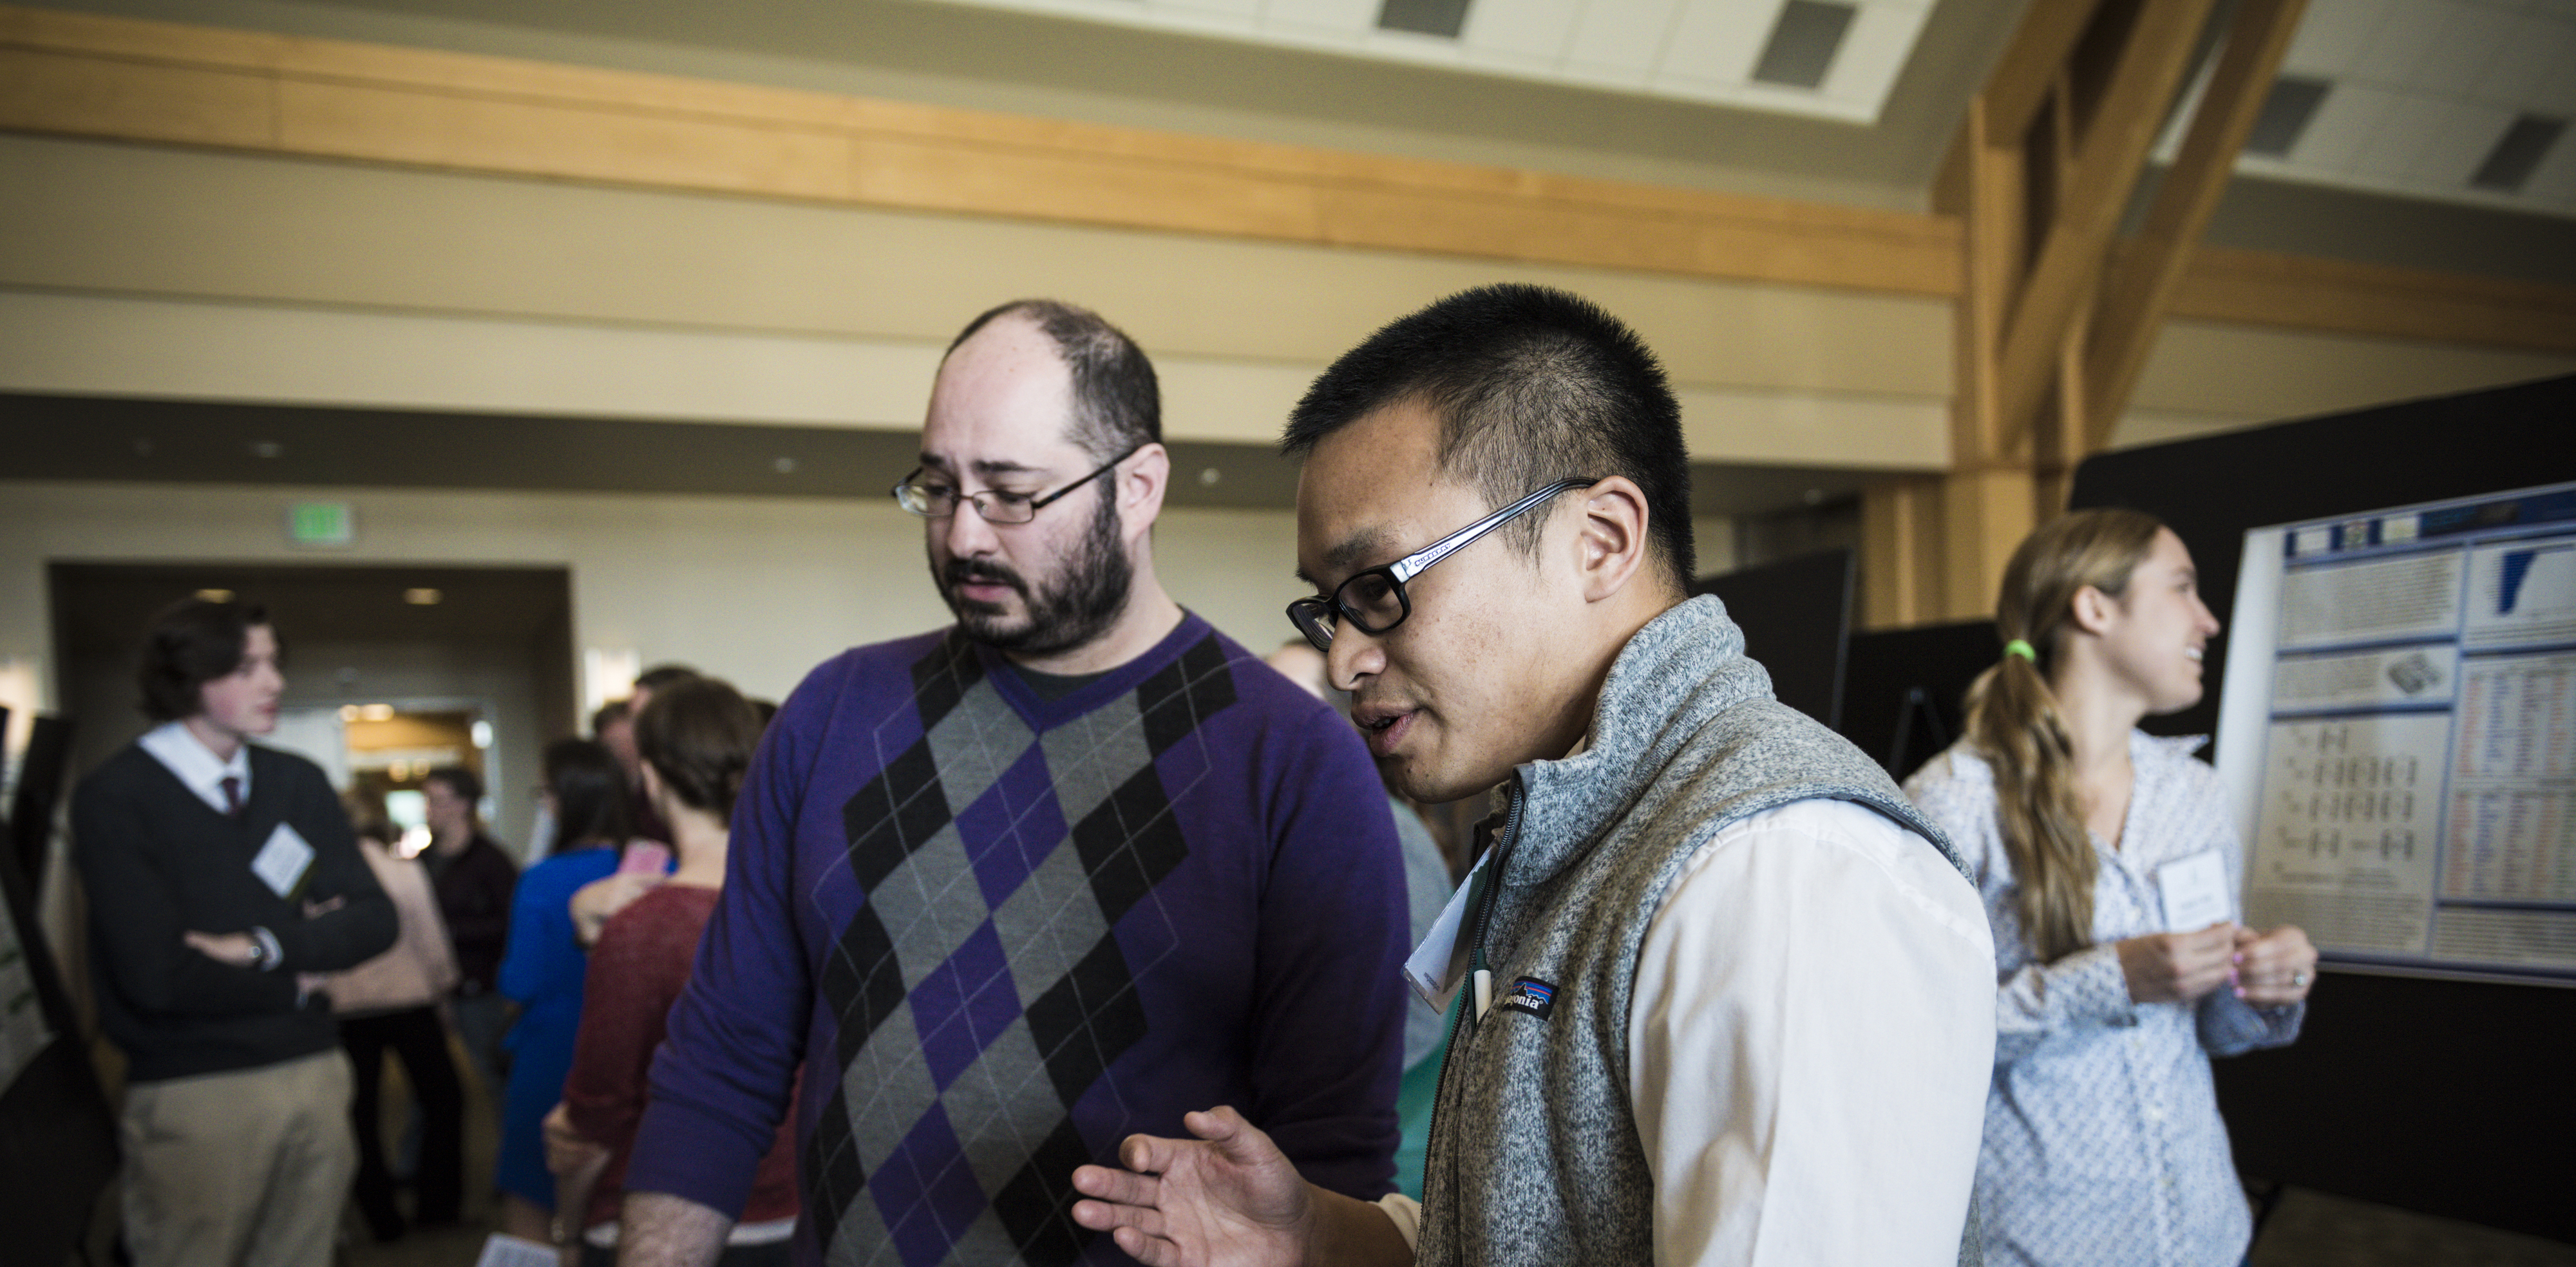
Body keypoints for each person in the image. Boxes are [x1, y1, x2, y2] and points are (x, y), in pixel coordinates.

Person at [1069, 283, 1997, 1266]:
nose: (1343, 662)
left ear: (1599, 542)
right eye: (1327, 611)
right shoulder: (1580, 828)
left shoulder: (1784, 866)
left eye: (1379, 590)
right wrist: (1320, 1240)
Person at [618, 298, 1412, 1266]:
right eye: (939, 487)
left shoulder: (1291, 762)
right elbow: (720, 1065)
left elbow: (1330, 1160)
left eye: (1011, 492)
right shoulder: (833, 716)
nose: (963, 537)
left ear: (1140, 487)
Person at [1899, 509, 2316, 1266]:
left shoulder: (2192, 791)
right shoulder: (1953, 800)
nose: (2209, 620)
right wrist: (2110, 979)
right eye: (2183, 588)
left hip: (2204, 1233)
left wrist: (2263, 985)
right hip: (2040, 1243)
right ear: (2094, 607)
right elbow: (1909, 1042)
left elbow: (2213, 1033)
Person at [70, 596, 397, 1267]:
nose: (274, 683)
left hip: (315, 1073)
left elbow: (375, 918)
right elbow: (156, 976)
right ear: (188, 678)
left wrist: (263, 948)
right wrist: (298, 983)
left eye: (274, 663)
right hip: (198, 1090)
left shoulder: (296, 783)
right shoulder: (119, 796)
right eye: (247, 667)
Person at [545, 678, 799, 1265]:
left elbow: (597, 1115)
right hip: (791, 1210)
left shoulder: (645, 925)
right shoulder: (799, 907)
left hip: (664, 1218)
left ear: (653, 778)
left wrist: (567, 1228)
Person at [1262, 640, 1454, 1201]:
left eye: (1289, 701)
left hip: (1385, 1169)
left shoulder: (1385, 833)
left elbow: (1421, 1014)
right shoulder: (1304, 825)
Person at [495, 737, 637, 1244]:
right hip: (634, 1052)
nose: (545, 805)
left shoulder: (542, 879)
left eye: (547, 793)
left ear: (570, 799)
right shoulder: (655, 869)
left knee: (533, 1198)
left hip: (552, 1050)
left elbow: (519, 982)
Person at [329, 800, 467, 1241]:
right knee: (443, 1101)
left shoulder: (317, 878)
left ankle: (380, 1217)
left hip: (346, 1011)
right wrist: (445, 986)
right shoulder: (403, 870)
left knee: (359, 1116)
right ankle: (437, 1204)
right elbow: (432, 936)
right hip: (411, 1003)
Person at [421, 763, 518, 1096]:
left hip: (478, 987)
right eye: (428, 800)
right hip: (430, 988)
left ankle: (515, 1148)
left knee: (495, 1074)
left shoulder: (491, 861)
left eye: (438, 800)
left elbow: (509, 924)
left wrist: (452, 932)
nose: (430, 809)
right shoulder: (424, 860)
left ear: (464, 804)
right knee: (432, 1088)